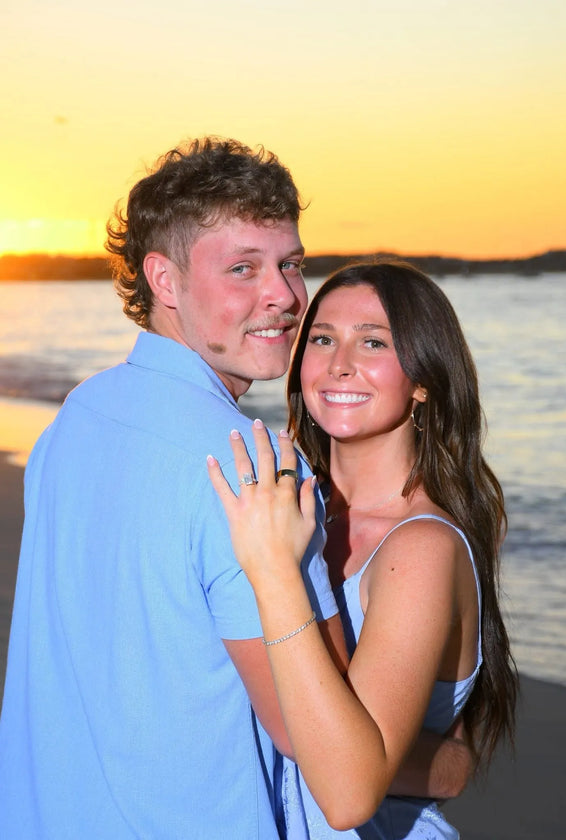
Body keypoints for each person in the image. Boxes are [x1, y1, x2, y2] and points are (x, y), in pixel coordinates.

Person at [0, 142, 468, 839]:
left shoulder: (78, 416)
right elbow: (334, 765)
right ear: (165, 279)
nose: (284, 295)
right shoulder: (252, 469)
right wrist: (449, 764)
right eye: (243, 268)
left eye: (290, 264)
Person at [208, 261, 519, 838]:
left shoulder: (421, 548)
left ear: (424, 380)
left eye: (373, 342)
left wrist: (276, 573)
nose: (339, 364)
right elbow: (446, 756)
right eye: (322, 339)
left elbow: (349, 795)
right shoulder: (289, 509)